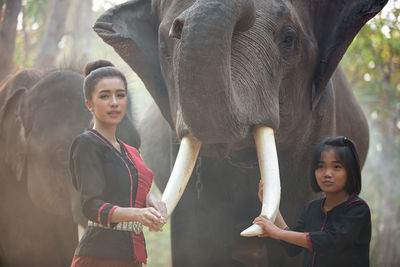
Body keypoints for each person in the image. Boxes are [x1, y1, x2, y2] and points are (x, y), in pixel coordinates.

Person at [69, 59, 167, 267]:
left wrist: (152, 202)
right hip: (99, 256)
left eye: (120, 95)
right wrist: (138, 214)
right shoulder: (86, 143)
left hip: (132, 255)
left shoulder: (128, 150)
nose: (114, 102)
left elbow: (129, 184)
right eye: (104, 96)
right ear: (90, 104)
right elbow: (91, 206)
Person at [253, 136, 371, 267]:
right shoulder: (312, 208)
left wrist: (277, 232)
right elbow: (292, 247)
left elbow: (329, 241)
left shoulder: (358, 209)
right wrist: (272, 207)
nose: (327, 173)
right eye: (321, 166)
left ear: (351, 171)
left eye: (336, 166)